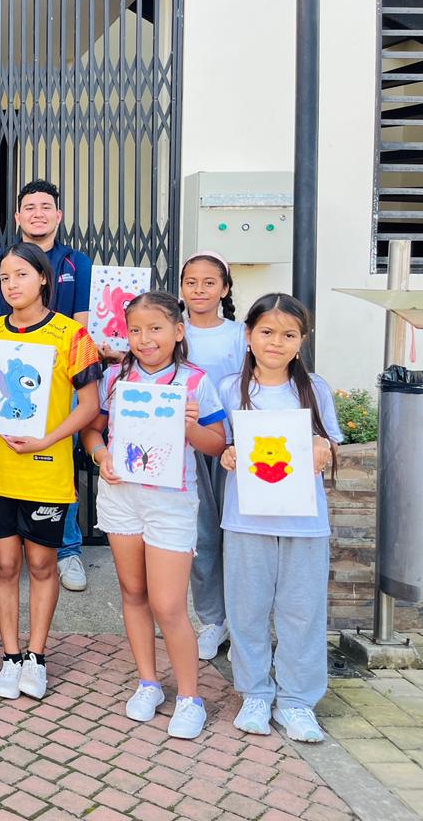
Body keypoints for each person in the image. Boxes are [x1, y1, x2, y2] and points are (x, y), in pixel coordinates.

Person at [80, 292, 227, 739]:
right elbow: (93, 431)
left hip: (171, 502)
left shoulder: (195, 380)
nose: (145, 339)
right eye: (136, 330)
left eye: (156, 328)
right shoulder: (113, 377)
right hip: (121, 497)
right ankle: (148, 682)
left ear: (178, 332)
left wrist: (190, 426)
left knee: (168, 605)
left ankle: (190, 697)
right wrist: (101, 455)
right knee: (133, 592)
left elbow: (217, 445)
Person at [0, 243, 102, 702]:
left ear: (43, 277)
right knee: (4, 565)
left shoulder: (72, 336)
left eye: (21, 274)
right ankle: (10, 656)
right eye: (5, 277)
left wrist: (47, 440)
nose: (12, 285)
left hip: (46, 470)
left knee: (43, 564)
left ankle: (37, 657)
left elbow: (89, 405)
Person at [218, 294, 341, 743]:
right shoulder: (230, 389)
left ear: (302, 340)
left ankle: (297, 701)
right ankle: (254, 693)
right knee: (246, 610)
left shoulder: (315, 390)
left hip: (304, 523)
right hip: (246, 520)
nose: (276, 342)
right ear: (248, 335)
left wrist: (323, 447)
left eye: (289, 334)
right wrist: (228, 453)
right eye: (267, 332)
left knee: (302, 611)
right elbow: (221, 443)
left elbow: (331, 446)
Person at [0, 180, 92, 593]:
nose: (37, 213)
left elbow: (82, 319)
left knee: (57, 460)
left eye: (45, 206)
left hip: (60, 375)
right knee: (5, 457)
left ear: (58, 215)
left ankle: (67, 549)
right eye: (29, 207)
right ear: (17, 216)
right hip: (8, 370)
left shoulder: (76, 261)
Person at [180, 252, 246, 662]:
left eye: (209, 282)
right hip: (188, 446)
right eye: (191, 282)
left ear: (225, 289)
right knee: (201, 536)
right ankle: (212, 620)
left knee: (238, 535)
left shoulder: (241, 335)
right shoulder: (174, 332)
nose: (199, 290)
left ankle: (242, 623)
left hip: (236, 447)